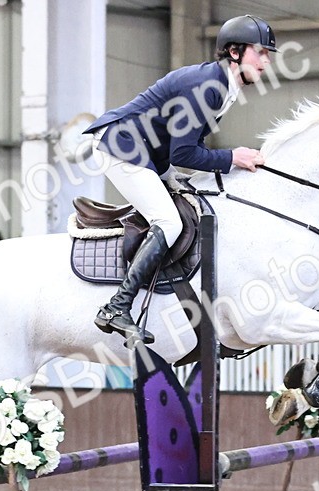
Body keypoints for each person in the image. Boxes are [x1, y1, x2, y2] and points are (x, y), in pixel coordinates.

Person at [85, 15, 277, 346]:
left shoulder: (222, 87)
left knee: (195, 197)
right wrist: (234, 157)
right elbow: (184, 154)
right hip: (121, 145)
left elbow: (184, 151)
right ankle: (117, 307)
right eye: (260, 52)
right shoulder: (208, 87)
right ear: (234, 51)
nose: (267, 61)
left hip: (148, 153)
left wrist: (227, 161)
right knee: (169, 221)